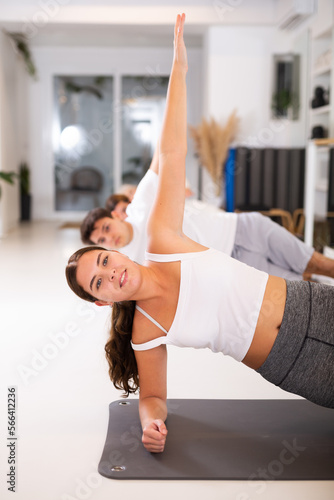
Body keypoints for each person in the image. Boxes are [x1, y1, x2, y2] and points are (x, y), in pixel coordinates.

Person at [66, 14, 334, 454]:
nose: (110, 273)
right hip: (293, 363)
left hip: (309, 303)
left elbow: (171, 152)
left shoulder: (162, 241)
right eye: (99, 282)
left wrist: (180, 71)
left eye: (105, 260)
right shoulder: (144, 332)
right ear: (102, 301)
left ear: (116, 253)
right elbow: (153, 397)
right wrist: (152, 423)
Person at [80, 158, 334, 282]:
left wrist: (176, 77)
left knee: (318, 262)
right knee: (306, 287)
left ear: (114, 216)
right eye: (102, 240)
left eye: (106, 228)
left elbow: (163, 152)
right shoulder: (132, 263)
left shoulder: (141, 204)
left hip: (245, 228)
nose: (109, 237)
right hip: (236, 265)